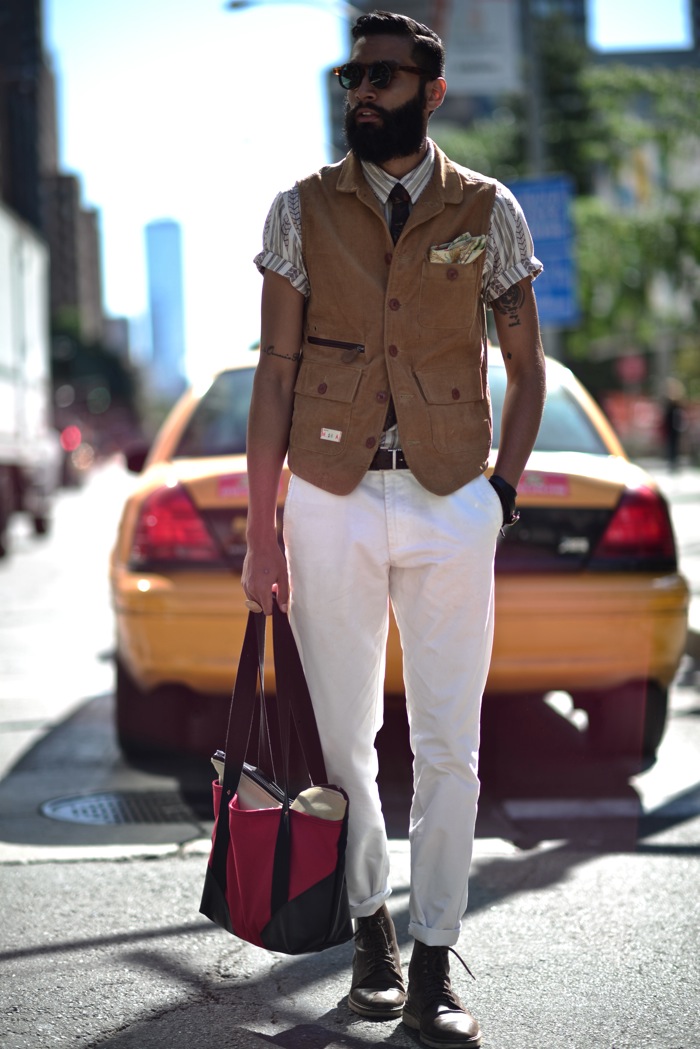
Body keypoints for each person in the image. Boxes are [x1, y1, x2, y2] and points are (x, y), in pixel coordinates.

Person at [243, 10, 546, 1047]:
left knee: (449, 746)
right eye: (349, 76)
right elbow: (275, 373)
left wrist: (498, 492)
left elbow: (525, 364)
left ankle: (432, 959)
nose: (360, 93)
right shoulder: (299, 209)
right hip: (326, 495)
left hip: (450, 493)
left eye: (381, 76)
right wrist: (259, 529)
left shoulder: (487, 208)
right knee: (343, 741)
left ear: (431, 90)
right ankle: (368, 928)